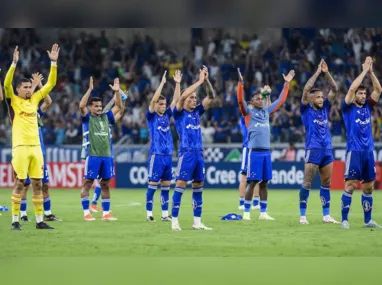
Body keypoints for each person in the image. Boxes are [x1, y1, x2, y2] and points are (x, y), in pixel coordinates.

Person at [5, 44, 59, 230]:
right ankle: (15, 220)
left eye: (30, 87)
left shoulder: (35, 100)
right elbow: (6, 84)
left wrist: (53, 62)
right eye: (26, 87)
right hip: (20, 148)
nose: (29, 89)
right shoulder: (14, 100)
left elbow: (51, 84)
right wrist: (13, 64)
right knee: (20, 184)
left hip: (36, 148)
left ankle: (39, 221)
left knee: (37, 183)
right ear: (18, 90)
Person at [237, 68, 295, 221]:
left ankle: (263, 212)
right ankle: (247, 213)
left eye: (261, 99)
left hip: (266, 152)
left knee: (265, 183)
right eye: (257, 99)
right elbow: (239, 101)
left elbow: (281, 101)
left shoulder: (266, 111)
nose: (260, 101)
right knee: (252, 182)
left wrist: (286, 84)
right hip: (254, 152)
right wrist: (241, 84)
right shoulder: (248, 114)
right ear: (252, 103)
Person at [171, 66, 215, 231]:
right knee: (181, 184)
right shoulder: (179, 113)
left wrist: (207, 81)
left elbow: (211, 96)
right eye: (192, 97)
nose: (194, 100)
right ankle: (174, 220)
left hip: (199, 154)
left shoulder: (197, 111)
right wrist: (199, 81)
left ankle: (197, 222)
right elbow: (181, 97)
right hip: (186, 153)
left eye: (196, 98)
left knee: (198, 186)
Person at [341, 56, 382, 229]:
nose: (364, 96)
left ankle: (367, 220)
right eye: (361, 93)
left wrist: (371, 73)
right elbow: (351, 89)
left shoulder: (367, 107)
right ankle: (344, 220)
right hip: (354, 151)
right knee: (350, 185)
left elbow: (378, 90)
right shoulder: (347, 108)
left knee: (368, 188)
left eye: (365, 93)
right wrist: (364, 70)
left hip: (368, 151)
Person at [298, 59, 340, 225]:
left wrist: (326, 72)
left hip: (327, 149)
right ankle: (302, 216)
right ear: (311, 99)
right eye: (318, 97)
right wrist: (317, 72)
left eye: (322, 96)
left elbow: (335, 89)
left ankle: (326, 215)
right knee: (307, 183)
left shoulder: (326, 108)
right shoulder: (305, 109)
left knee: (326, 183)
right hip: (313, 148)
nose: (322, 99)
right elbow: (306, 89)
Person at [20, 73, 62, 222]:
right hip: (25, 150)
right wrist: (32, 86)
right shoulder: (21, 111)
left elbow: (48, 101)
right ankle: (23, 214)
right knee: (24, 184)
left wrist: (39, 85)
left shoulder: (37, 113)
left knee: (44, 184)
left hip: (40, 152)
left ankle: (48, 213)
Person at [79, 77, 122, 221]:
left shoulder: (106, 117)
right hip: (93, 155)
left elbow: (119, 107)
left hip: (107, 156)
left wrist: (116, 92)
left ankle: (106, 214)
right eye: (96, 106)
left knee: (105, 184)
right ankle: (86, 213)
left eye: (100, 106)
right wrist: (90, 90)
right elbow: (81, 105)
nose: (98, 108)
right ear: (90, 107)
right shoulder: (87, 118)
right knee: (88, 183)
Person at [145, 70, 182, 222]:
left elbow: (177, 99)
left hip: (167, 155)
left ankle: (165, 214)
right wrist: (162, 84)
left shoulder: (167, 115)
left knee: (166, 186)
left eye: (164, 104)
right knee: (153, 185)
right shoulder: (151, 117)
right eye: (161, 104)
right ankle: (149, 214)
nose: (163, 106)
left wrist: (178, 83)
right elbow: (153, 101)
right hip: (157, 155)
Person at [89, 89, 127, 213]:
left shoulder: (108, 122)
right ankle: (93, 204)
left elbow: (120, 112)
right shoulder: (99, 120)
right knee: (101, 182)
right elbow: (108, 109)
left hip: (108, 154)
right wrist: (115, 98)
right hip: (98, 154)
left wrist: (123, 100)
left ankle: (97, 205)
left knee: (105, 182)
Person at [238, 86, 271, 211]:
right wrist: (264, 95)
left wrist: (266, 95)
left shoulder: (259, 114)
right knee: (245, 178)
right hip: (249, 148)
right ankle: (242, 203)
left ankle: (256, 202)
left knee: (257, 179)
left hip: (256, 148)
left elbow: (266, 109)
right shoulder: (247, 115)